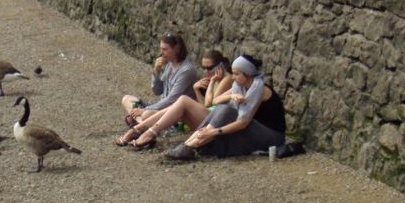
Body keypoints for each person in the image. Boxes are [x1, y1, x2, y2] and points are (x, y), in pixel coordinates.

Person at [122, 55, 285, 160]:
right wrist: (231, 95)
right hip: (236, 124)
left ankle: (189, 146)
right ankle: (150, 133)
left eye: (237, 74)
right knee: (194, 102)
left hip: (270, 136)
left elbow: (243, 122)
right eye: (233, 73)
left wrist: (215, 131)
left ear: (247, 74)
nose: (233, 77)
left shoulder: (260, 90)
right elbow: (216, 100)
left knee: (227, 110)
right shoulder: (240, 86)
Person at [121, 33, 199, 125]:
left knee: (146, 114)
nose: (161, 53)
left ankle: (141, 125)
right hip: (161, 106)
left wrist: (144, 110)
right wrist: (156, 71)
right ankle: (141, 123)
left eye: (165, 49)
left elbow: (171, 99)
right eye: (161, 49)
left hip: (173, 112)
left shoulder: (186, 70)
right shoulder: (170, 64)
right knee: (126, 99)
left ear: (176, 49)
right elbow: (157, 91)